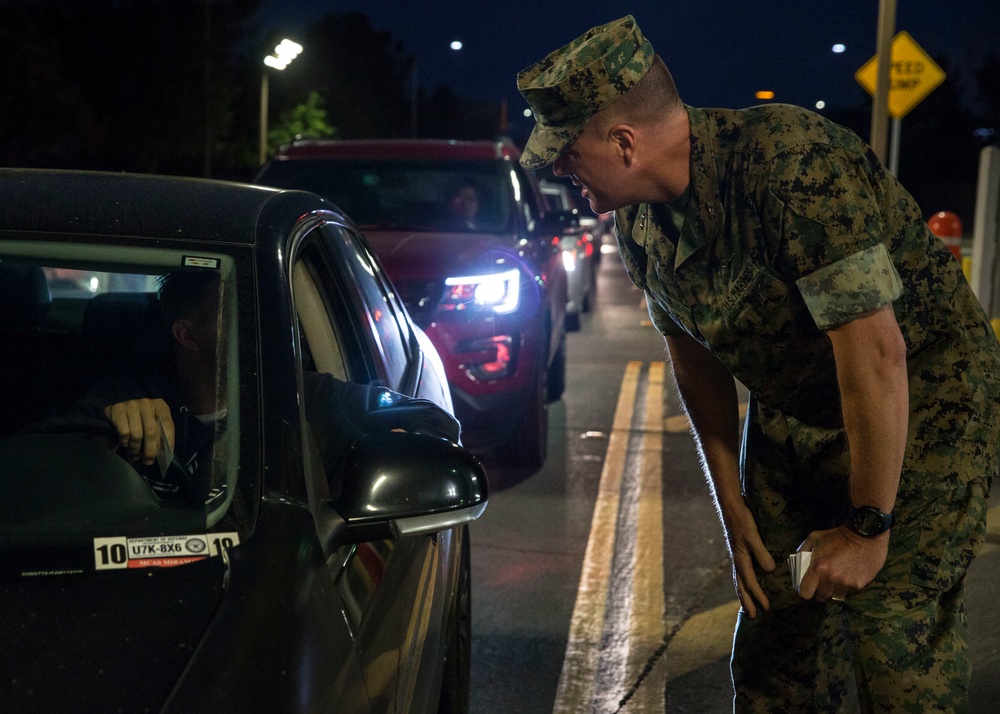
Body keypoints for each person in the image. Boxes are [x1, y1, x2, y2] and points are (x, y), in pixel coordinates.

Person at [517, 14, 1000, 712]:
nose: (560, 172)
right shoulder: (640, 223)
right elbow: (691, 353)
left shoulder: (788, 164)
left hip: (922, 409)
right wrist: (731, 502)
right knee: (779, 625)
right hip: (800, 416)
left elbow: (875, 350)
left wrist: (868, 525)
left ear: (624, 142)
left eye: (567, 153)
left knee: (893, 645)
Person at [68, 270, 460, 503]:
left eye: (255, 309)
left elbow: (435, 423)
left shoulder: (307, 398)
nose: (257, 325)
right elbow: (45, 452)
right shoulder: (125, 398)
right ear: (188, 336)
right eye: (236, 313)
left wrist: (373, 457)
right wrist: (108, 432)